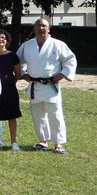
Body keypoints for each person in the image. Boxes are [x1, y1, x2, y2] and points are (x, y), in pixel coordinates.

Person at [16, 18, 77, 154]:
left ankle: (58, 142)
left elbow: (70, 60)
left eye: (44, 26)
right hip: (35, 85)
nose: (41, 28)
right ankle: (43, 141)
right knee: (38, 114)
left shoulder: (58, 44)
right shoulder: (27, 45)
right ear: (34, 29)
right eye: (38, 25)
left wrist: (62, 74)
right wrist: (23, 73)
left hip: (51, 85)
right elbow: (17, 61)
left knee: (55, 114)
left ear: (48, 29)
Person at [0, 29, 22, 150]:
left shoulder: (13, 56)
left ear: (7, 40)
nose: (0, 40)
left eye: (3, 38)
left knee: (12, 116)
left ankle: (14, 142)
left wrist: (10, 83)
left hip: (10, 89)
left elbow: (18, 73)